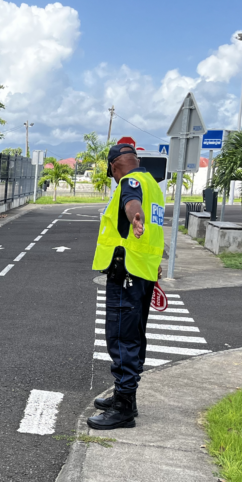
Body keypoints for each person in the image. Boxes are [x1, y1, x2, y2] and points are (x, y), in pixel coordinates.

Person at [88, 144, 166, 430]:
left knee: (121, 337)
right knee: (134, 336)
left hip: (126, 273)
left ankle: (123, 407)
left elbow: (131, 203)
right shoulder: (154, 187)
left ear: (113, 166)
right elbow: (155, 232)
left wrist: (135, 216)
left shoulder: (130, 182)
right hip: (143, 272)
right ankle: (126, 398)